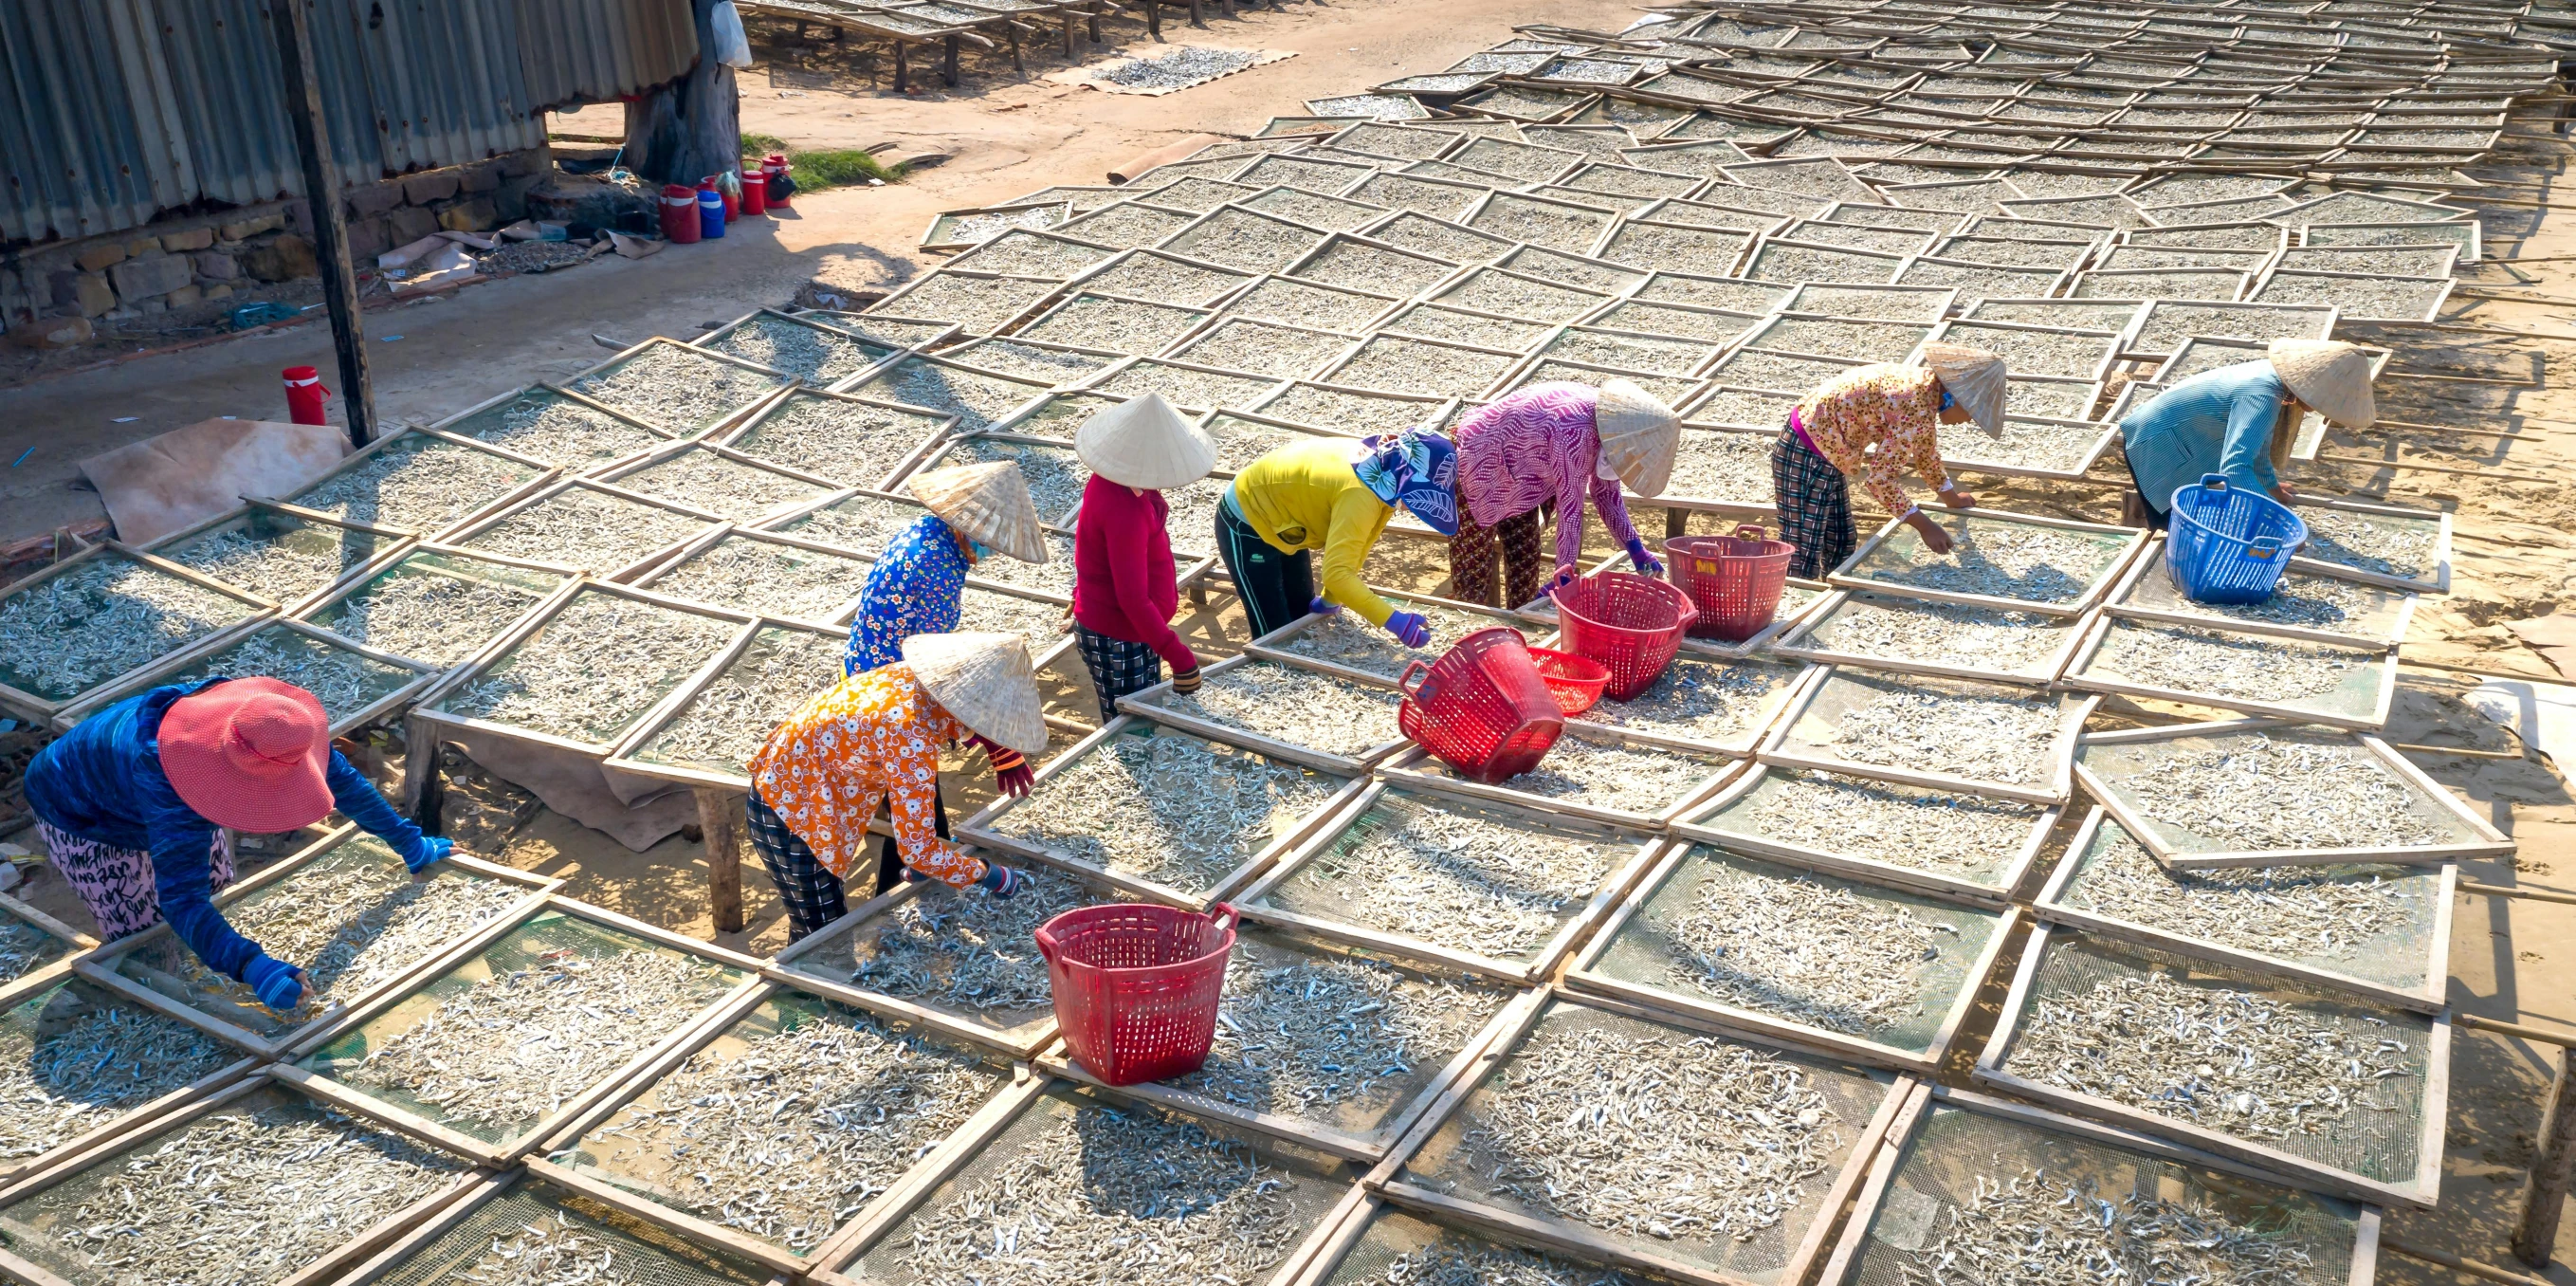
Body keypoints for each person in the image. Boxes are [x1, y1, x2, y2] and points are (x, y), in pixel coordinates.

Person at [22, 677, 450, 1012]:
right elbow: (181, 899)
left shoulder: (271, 727)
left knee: (213, 885)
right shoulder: (169, 774)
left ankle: (205, 961)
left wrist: (410, 842)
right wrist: (251, 966)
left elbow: (344, 783)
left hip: (140, 783)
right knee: (146, 931)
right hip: (83, 812)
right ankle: (168, 991)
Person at [746, 633, 1045, 941]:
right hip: (791, 812)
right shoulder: (911, 736)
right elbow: (916, 850)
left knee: (815, 925)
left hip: (795, 782)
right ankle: (804, 991)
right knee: (823, 936)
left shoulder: (910, 678)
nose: (978, 736)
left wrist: (933, 862)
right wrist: (987, 874)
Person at [838, 460, 1045, 893]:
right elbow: (938, 675)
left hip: (870, 676)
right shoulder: (936, 568)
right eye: (989, 542)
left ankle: (910, 879)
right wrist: (997, 745)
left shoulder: (927, 533)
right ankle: (898, 894)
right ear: (969, 528)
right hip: (889, 696)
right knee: (917, 811)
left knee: (915, 810)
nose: (991, 550)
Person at [1773, 342, 2009, 579]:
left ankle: (1829, 586)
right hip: (1805, 451)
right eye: (1973, 413)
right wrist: (1926, 527)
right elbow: (1880, 481)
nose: (1969, 421)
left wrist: (1952, 498)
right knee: (1804, 545)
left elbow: (1926, 454)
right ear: (1957, 398)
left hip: (1829, 450)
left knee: (1841, 539)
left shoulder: (1926, 391)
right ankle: (1795, 599)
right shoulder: (1915, 404)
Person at [1448, 379, 1682, 609]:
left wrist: (1636, 548)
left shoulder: (1613, 436)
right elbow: (1571, 509)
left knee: (1525, 555)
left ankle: (1521, 624)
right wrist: (1565, 572)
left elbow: (1607, 495)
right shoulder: (1574, 431)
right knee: (1473, 566)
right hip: (1480, 456)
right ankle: (1470, 624)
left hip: (1527, 474)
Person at [1217, 431, 1457, 646]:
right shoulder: (1360, 493)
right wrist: (1394, 621)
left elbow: (1360, 543)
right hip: (1247, 516)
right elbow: (1336, 573)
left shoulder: (1383, 474)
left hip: (1289, 518)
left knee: (1303, 616)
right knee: (1274, 636)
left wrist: (1330, 599)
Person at [2117, 339, 2376, 529]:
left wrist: (2271, 488)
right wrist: (2275, 520)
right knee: (2178, 523)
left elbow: (2257, 447)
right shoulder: (2262, 394)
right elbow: (2236, 466)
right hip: (2157, 440)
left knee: (2208, 506)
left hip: (2189, 436)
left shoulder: (2272, 381)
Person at [1071, 393, 1215, 717]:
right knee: (1132, 724)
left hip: (1135, 629)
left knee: (1144, 709)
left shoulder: (1114, 483)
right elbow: (1132, 598)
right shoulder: (1124, 510)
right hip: (1118, 634)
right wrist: (1177, 655)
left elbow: (1092, 551)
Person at [844, 461, 1048, 676]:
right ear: (970, 533)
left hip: (859, 657)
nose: (994, 552)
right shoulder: (941, 572)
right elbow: (930, 654)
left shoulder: (924, 527)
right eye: (991, 544)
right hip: (884, 676)